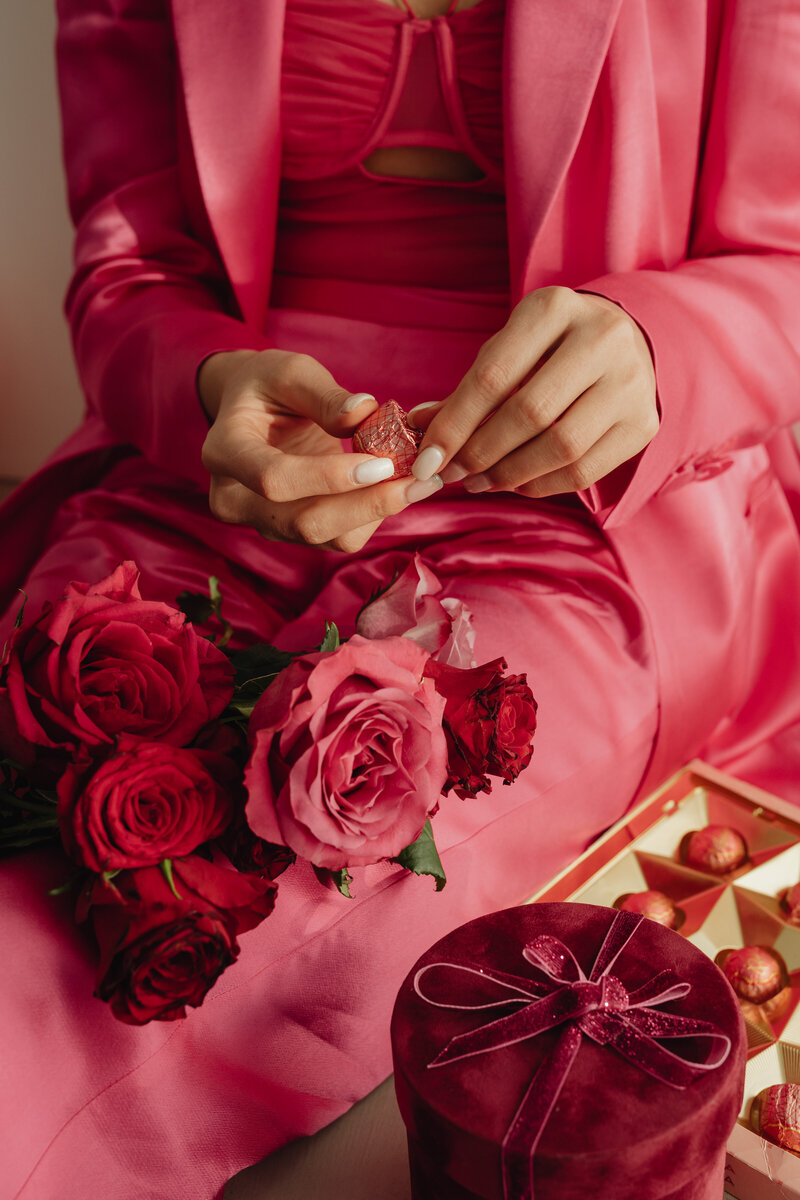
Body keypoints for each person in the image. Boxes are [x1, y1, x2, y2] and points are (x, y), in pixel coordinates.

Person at [2, 0, 800, 1196]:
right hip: (209, 477)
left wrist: (660, 351)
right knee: (37, 803)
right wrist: (204, 382)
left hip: (581, 524)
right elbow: (128, 272)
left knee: (286, 892)